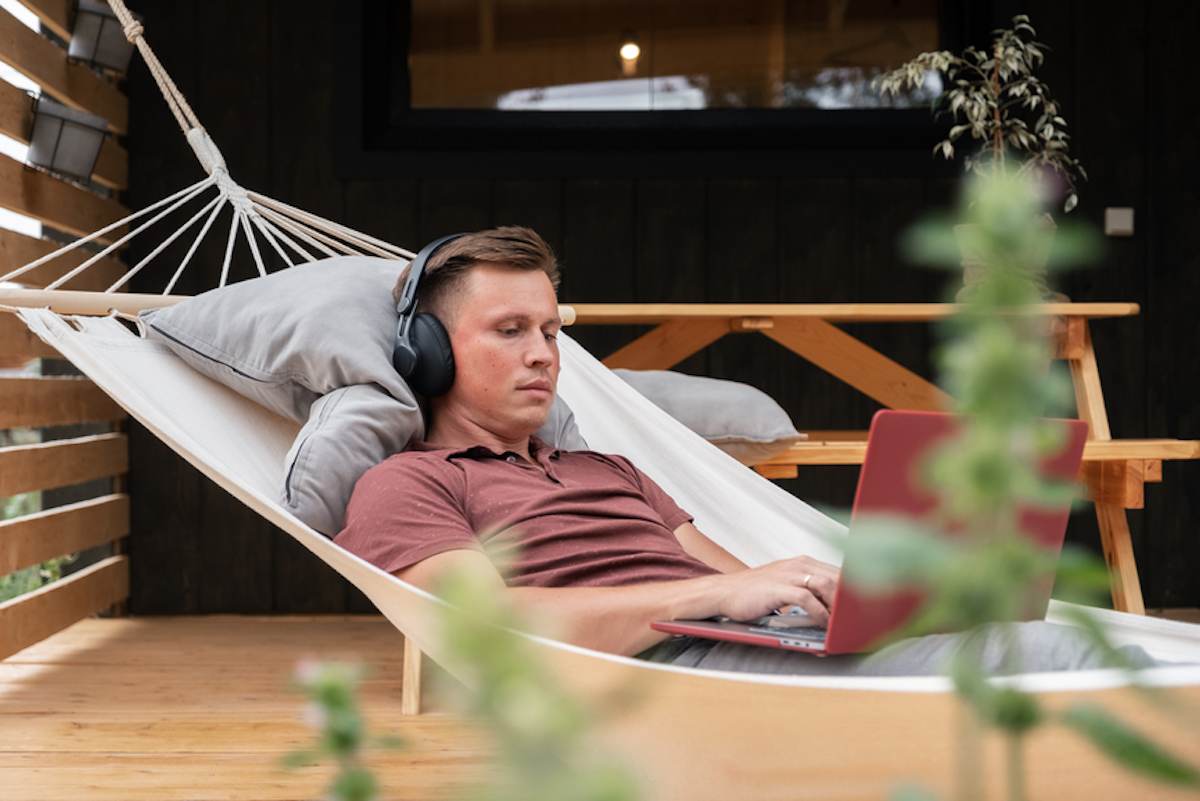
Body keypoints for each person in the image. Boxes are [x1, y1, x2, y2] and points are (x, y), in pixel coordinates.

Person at [333, 226, 1155, 676]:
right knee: (1069, 656)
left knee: (1101, 649)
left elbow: (729, 582)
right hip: (672, 670)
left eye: (550, 330)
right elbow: (484, 630)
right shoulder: (406, 482)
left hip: (743, 648)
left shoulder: (610, 469)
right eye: (510, 331)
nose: (545, 353)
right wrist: (717, 598)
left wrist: (821, 595)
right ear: (429, 354)